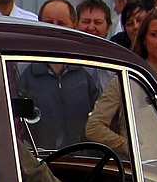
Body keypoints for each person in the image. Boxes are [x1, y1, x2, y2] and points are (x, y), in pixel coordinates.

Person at [86, 7, 157, 157]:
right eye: (155, 35)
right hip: (138, 171)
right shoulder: (125, 78)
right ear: (144, 38)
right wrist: (129, 147)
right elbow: (94, 126)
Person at [19, 10, 105, 152]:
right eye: (49, 23)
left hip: (83, 162)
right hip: (41, 160)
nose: (55, 28)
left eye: (61, 23)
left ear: (74, 26)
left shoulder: (88, 69)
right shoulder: (22, 69)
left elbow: (100, 119)